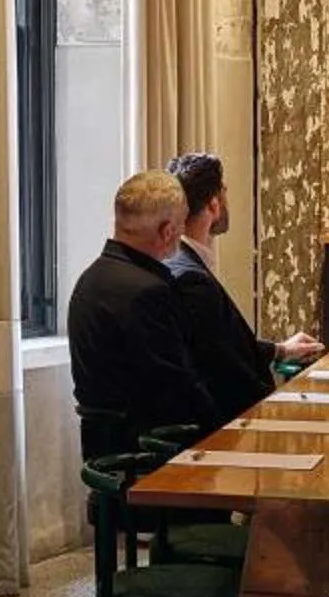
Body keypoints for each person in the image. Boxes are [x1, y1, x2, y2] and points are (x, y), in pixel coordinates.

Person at [65, 170, 218, 458]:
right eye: (182, 225)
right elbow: (177, 387)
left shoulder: (92, 277)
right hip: (146, 450)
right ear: (167, 231)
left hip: (102, 442)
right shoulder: (148, 290)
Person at [164, 150, 323, 422]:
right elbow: (223, 368)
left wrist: (280, 349)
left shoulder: (179, 262)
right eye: (225, 192)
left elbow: (225, 341)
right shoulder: (191, 278)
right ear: (214, 205)